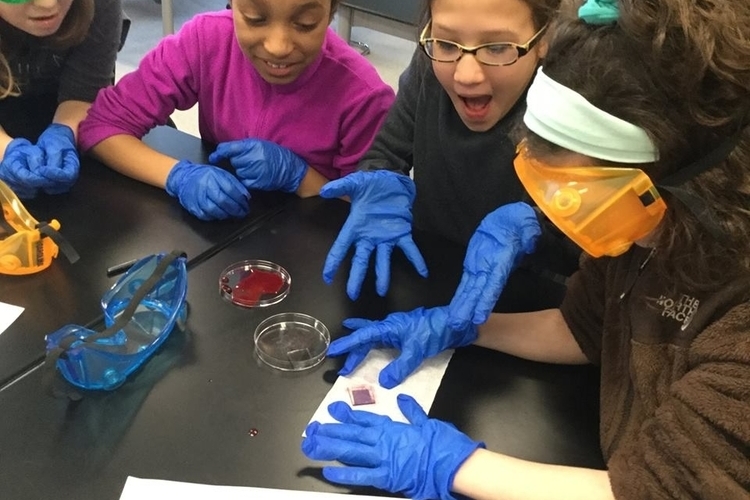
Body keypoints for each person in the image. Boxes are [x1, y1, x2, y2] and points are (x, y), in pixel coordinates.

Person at [302, 0, 750, 498]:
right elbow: (584, 328)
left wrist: (452, 465)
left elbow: (667, 489)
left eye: (587, 196)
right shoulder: (646, 229)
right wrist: (461, 326)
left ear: (692, 182)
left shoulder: (737, 307)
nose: (560, 214)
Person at [319, 0, 579, 331]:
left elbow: (590, 257)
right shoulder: (429, 65)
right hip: (430, 281)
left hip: (525, 312)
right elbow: (386, 152)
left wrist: (538, 232)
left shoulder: (575, 101)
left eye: (497, 47)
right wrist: (378, 178)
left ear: (546, 37)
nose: (465, 75)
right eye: (445, 42)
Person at [78, 0, 394, 221]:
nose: (278, 46)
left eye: (305, 24)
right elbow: (103, 126)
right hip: (224, 240)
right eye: (255, 18)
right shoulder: (206, 41)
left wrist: (300, 177)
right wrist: (177, 176)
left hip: (315, 257)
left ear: (331, 11)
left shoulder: (363, 96)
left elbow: (371, 212)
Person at [0, 0, 123, 199]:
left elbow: (84, 90)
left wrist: (64, 130)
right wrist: (5, 149)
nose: (47, 4)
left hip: (55, 106)